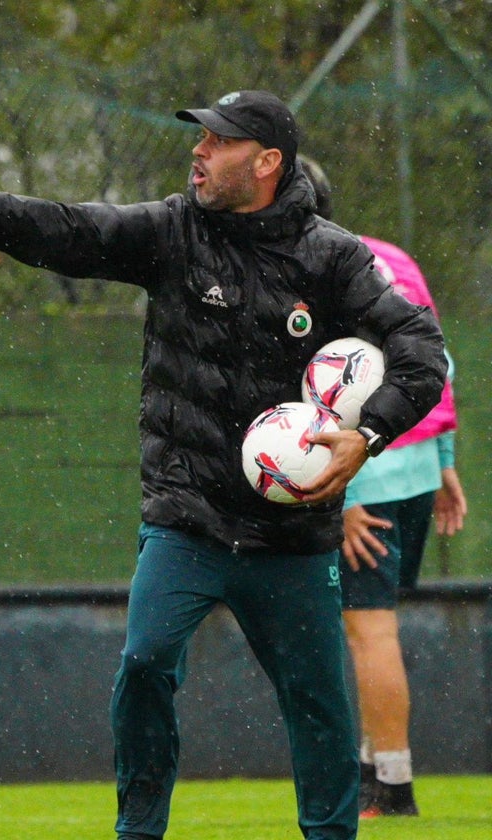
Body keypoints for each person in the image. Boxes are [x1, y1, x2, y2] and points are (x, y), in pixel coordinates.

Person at [0, 89, 446, 840]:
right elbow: (66, 228)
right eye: (198, 138)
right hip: (187, 521)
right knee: (144, 664)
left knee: (321, 702)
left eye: (217, 141)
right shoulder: (173, 232)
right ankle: (139, 829)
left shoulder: (334, 257)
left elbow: (423, 351)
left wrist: (369, 436)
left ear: (266, 162)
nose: (198, 152)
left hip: (292, 539)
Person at [302, 157, 467, 819]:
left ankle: (392, 787)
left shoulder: (311, 273)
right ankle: (375, 767)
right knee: (376, 628)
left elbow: (320, 395)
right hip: (419, 467)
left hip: (365, 475)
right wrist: (445, 459)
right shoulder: (389, 256)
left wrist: (343, 495)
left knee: (369, 631)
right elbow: (435, 358)